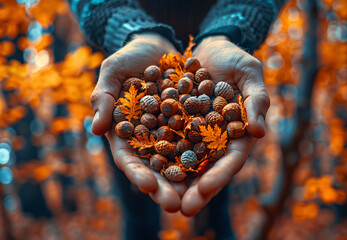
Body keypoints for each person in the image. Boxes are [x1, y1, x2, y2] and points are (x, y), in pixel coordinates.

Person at [68, 0, 286, 239]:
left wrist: (230, 27)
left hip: (221, 49)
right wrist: (128, 26)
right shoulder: (146, 105)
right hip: (122, 58)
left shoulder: (207, 108)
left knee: (213, 207)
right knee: (138, 213)